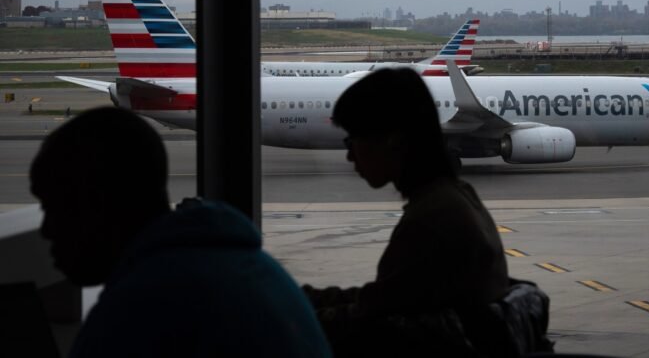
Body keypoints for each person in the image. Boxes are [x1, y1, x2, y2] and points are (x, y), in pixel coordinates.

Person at [29, 106, 331, 358]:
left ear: (99, 203)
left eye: (56, 208)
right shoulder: (243, 264)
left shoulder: (142, 307)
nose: (46, 230)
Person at [303, 68, 513, 356]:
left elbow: (369, 319)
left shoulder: (431, 224)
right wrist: (301, 299)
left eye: (353, 140)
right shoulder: (455, 198)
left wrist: (293, 312)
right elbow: (383, 299)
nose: (350, 155)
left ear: (392, 140)